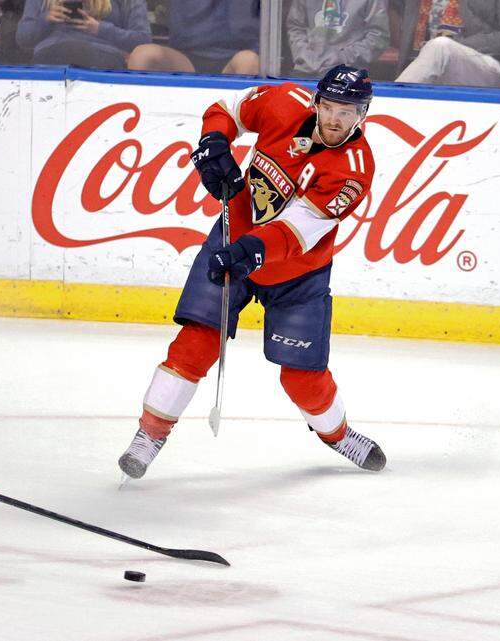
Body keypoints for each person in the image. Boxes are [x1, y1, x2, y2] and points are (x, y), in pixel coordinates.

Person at [117, 65, 387, 480]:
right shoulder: (284, 102)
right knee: (196, 342)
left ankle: (337, 434)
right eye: (330, 106)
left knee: (302, 377)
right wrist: (213, 142)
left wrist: (252, 251)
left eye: (347, 111)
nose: (335, 119)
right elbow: (228, 108)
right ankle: (149, 435)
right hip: (233, 237)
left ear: (363, 114)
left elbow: (300, 229)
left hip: (298, 273)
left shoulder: (354, 169)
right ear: (316, 102)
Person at [394, 0, 500, 89]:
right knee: (438, 48)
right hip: (435, 74)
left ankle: (388, 106)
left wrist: (459, 46)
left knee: (440, 46)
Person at [127, 0, 259, 75]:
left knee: (248, 61)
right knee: (143, 56)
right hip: (185, 59)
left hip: (234, 59)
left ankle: (238, 122)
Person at [16, 0, 151, 70]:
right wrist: (45, 19)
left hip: (103, 61)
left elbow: (143, 41)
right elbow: (22, 38)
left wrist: (101, 29)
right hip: (51, 59)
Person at [286, 0, 390, 77]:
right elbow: (295, 26)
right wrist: (305, 55)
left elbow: (379, 37)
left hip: (348, 72)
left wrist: (344, 58)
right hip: (305, 70)